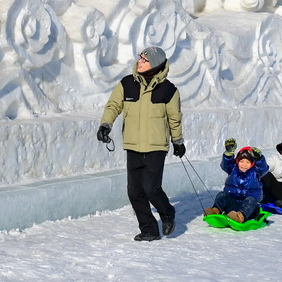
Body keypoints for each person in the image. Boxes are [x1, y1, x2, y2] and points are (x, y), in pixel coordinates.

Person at [97, 46, 185, 241]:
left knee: (151, 188)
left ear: (154, 64)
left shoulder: (168, 90)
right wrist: (105, 125)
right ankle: (149, 230)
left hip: (156, 147)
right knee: (135, 191)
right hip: (133, 145)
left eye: (145, 60)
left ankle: (167, 213)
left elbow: (174, 118)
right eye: (140, 58)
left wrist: (178, 141)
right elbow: (113, 106)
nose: (140, 62)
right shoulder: (127, 84)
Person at [203, 139, 268, 223]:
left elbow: (263, 168)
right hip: (232, 205)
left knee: (250, 200)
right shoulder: (233, 169)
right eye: (241, 161)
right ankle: (215, 210)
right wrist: (228, 154)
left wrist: (259, 158)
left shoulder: (256, 172)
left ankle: (240, 216)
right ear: (237, 161)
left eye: (247, 162)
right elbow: (226, 165)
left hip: (249, 208)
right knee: (221, 195)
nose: (244, 165)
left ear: (252, 163)